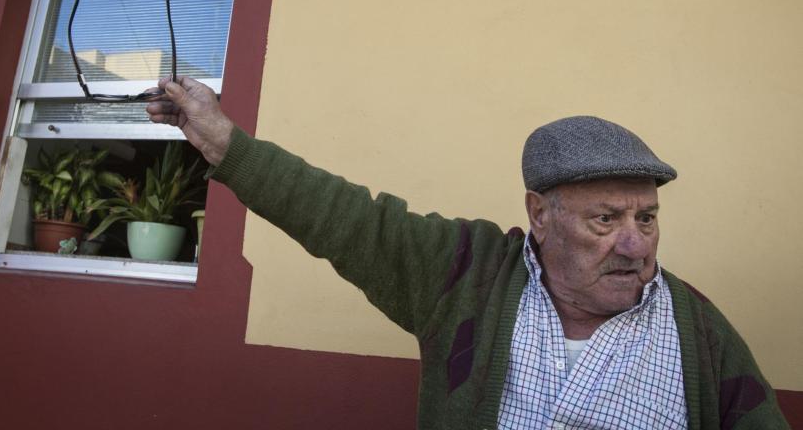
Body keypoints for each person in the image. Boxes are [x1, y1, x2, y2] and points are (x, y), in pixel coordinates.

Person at [146, 76, 790, 430]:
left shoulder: (698, 330)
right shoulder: (464, 274)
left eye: (647, 218)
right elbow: (346, 219)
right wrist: (227, 145)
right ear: (541, 215)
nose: (635, 243)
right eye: (606, 218)